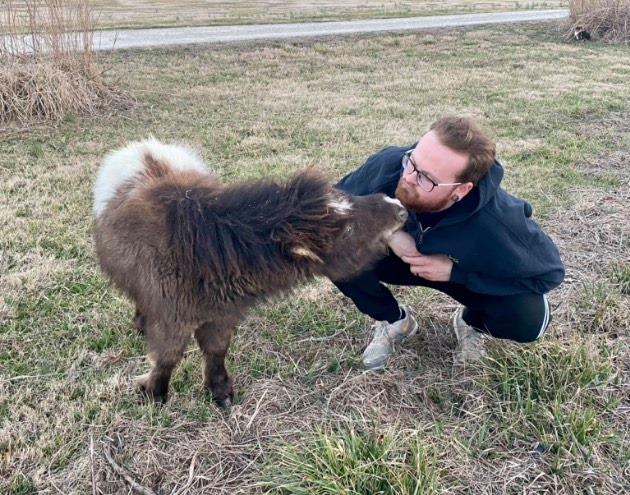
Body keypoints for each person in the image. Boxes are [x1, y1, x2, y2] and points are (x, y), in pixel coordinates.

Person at [334, 116, 565, 370]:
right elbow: (332, 204)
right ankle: (395, 321)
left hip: (463, 275)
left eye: (426, 178)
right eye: (412, 162)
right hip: (397, 260)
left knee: (528, 319)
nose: (408, 178)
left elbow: (549, 274)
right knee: (330, 245)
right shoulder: (391, 166)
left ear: (461, 190)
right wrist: (389, 232)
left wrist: (456, 272)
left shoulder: (497, 222)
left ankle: (472, 324)